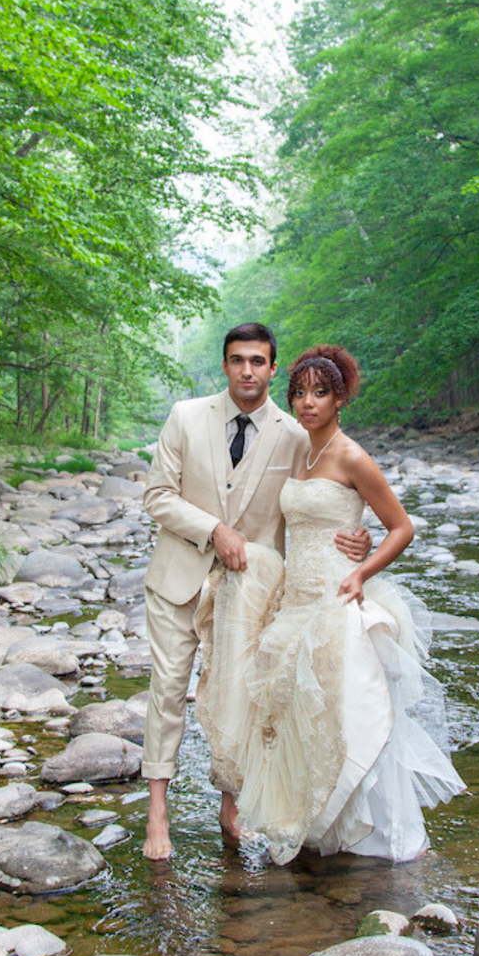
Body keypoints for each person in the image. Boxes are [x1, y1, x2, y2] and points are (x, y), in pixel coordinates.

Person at [194, 345, 465, 863]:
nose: (307, 403)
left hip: (337, 595)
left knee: (343, 713)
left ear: (341, 398)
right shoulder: (304, 452)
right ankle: (317, 829)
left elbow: (402, 527)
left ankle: (366, 836)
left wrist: (363, 568)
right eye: (299, 392)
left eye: (320, 393)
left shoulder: (350, 454)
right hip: (295, 598)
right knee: (295, 711)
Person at [140, 323, 371, 861]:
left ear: (273, 367)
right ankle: (157, 812)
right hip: (180, 578)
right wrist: (213, 530)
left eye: (258, 361)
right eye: (238, 360)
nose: (248, 370)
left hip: (250, 588)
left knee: (240, 692)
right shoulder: (185, 417)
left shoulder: (295, 433)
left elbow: (318, 496)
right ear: (225, 365)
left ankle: (232, 802)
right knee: (169, 690)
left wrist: (355, 533)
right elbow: (156, 496)